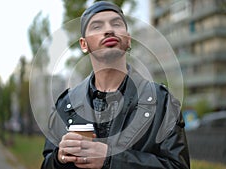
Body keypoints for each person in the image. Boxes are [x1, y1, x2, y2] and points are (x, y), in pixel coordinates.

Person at [41, 1, 190, 169]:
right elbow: (46, 164)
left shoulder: (162, 101)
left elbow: (178, 166)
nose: (109, 30)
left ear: (128, 39)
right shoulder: (66, 105)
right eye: (97, 26)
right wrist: (59, 159)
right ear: (84, 44)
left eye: (116, 24)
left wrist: (111, 160)